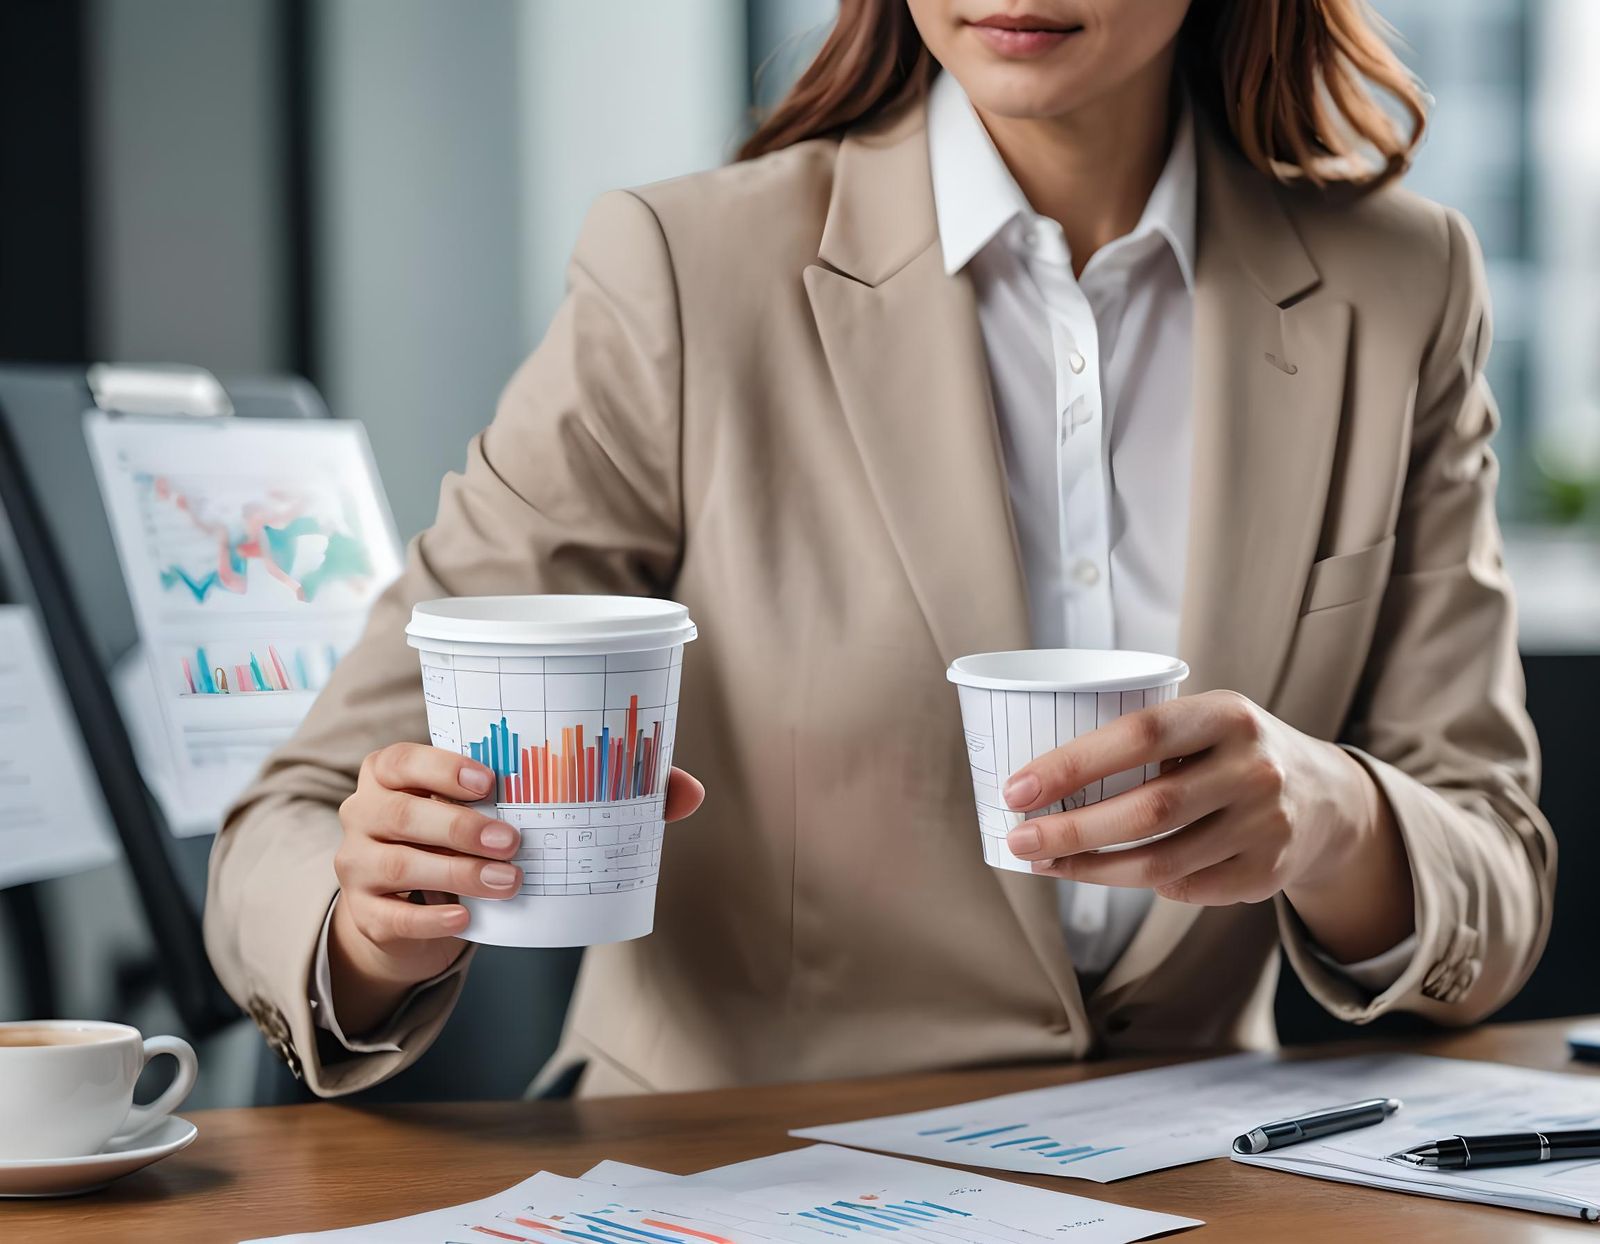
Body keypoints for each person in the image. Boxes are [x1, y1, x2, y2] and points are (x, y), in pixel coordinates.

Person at [205, 0, 1555, 1098]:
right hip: (741, 1180)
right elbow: (288, 824)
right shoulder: (686, 273)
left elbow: (1492, 874)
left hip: (1193, 1186)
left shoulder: (1399, 287)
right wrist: (373, 919)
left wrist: (1328, 818)